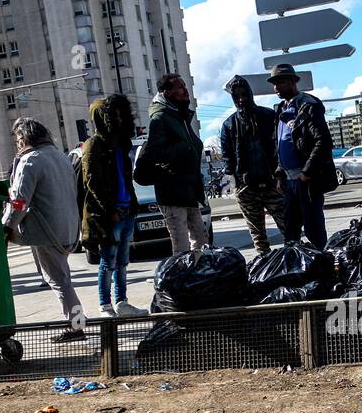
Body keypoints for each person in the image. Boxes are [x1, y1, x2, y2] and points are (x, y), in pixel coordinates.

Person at [4, 118, 86, 343]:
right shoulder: (60, 156)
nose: (17, 144)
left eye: (18, 140)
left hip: (46, 231)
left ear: (24, 138)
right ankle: (78, 322)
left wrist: (7, 226)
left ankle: (77, 325)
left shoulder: (30, 161)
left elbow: (19, 201)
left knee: (59, 281)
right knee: (63, 278)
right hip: (68, 228)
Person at [80, 94, 147, 318]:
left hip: (127, 209)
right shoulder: (94, 144)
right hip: (111, 213)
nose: (118, 119)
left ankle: (121, 302)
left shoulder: (121, 144)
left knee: (122, 261)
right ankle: (105, 305)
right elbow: (92, 182)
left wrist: (131, 206)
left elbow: (126, 178)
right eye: (114, 115)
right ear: (104, 117)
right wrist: (111, 210)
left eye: (121, 115)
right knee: (108, 261)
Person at [136, 73, 209, 255]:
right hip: (173, 193)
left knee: (201, 242)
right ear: (167, 93)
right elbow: (155, 153)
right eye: (180, 87)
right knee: (182, 247)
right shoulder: (160, 118)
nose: (185, 90)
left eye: (184, 85)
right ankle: (183, 273)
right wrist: (183, 147)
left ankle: (199, 272)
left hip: (189, 191)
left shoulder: (180, 116)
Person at [269, 63, 334, 249]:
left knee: (314, 230)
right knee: (290, 232)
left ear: (292, 82)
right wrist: (280, 174)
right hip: (289, 181)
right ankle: (296, 263)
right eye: (274, 84)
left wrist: (306, 172)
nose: (276, 88)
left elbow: (323, 142)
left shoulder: (308, 106)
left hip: (306, 181)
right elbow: (280, 144)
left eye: (280, 82)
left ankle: (322, 262)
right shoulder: (281, 109)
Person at [220, 74, 286, 255]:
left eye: (244, 94)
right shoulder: (229, 125)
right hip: (247, 187)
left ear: (250, 94)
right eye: (237, 96)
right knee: (258, 238)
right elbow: (227, 158)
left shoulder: (268, 116)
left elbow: (280, 147)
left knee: (289, 229)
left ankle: (293, 261)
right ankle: (265, 265)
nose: (241, 99)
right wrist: (236, 185)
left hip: (272, 183)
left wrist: (280, 174)